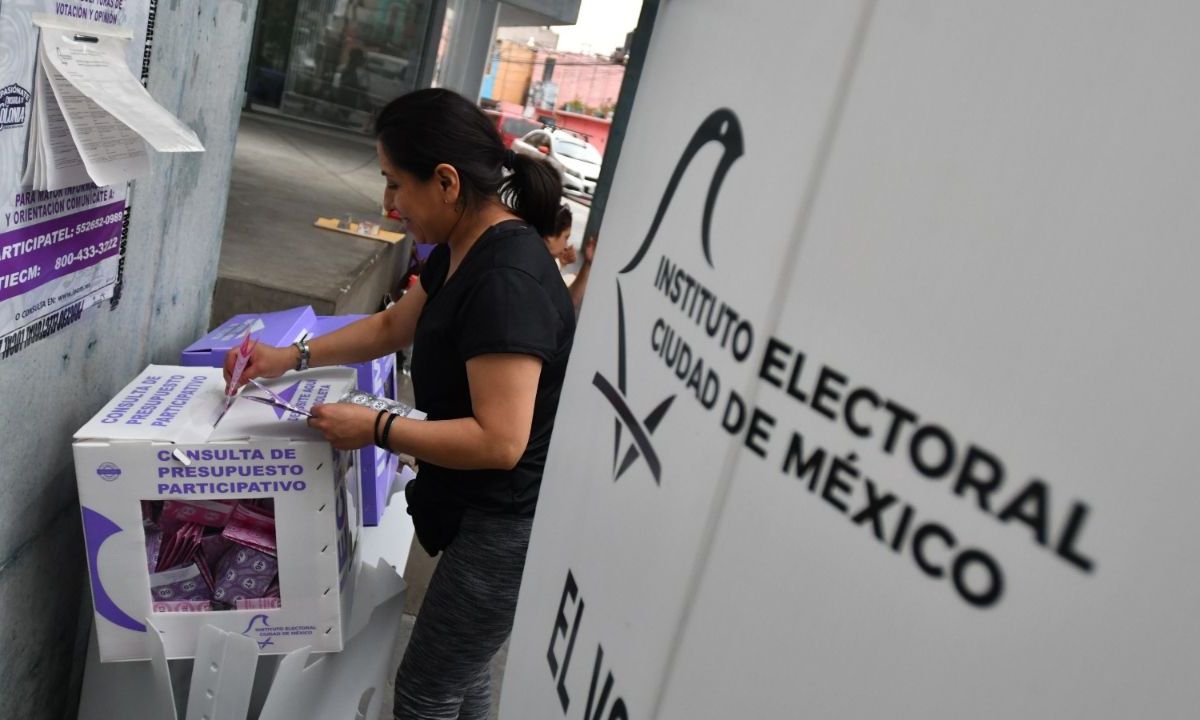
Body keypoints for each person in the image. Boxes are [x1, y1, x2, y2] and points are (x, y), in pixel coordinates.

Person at [225, 88, 575, 720]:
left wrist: (378, 426)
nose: (387, 206)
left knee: (423, 691)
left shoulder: (506, 281)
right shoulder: (462, 248)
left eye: (394, 185)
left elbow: (502, 440)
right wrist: (287, 357)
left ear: (445, 181)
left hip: (508, 525)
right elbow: (392, 329)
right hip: (478, 510)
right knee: (460, 677)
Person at [542, 203, 595, 312]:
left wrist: (561, 263)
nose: (566, 246)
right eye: (565, 237)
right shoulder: (536, 269)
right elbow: (567, 304)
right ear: (549, 236)